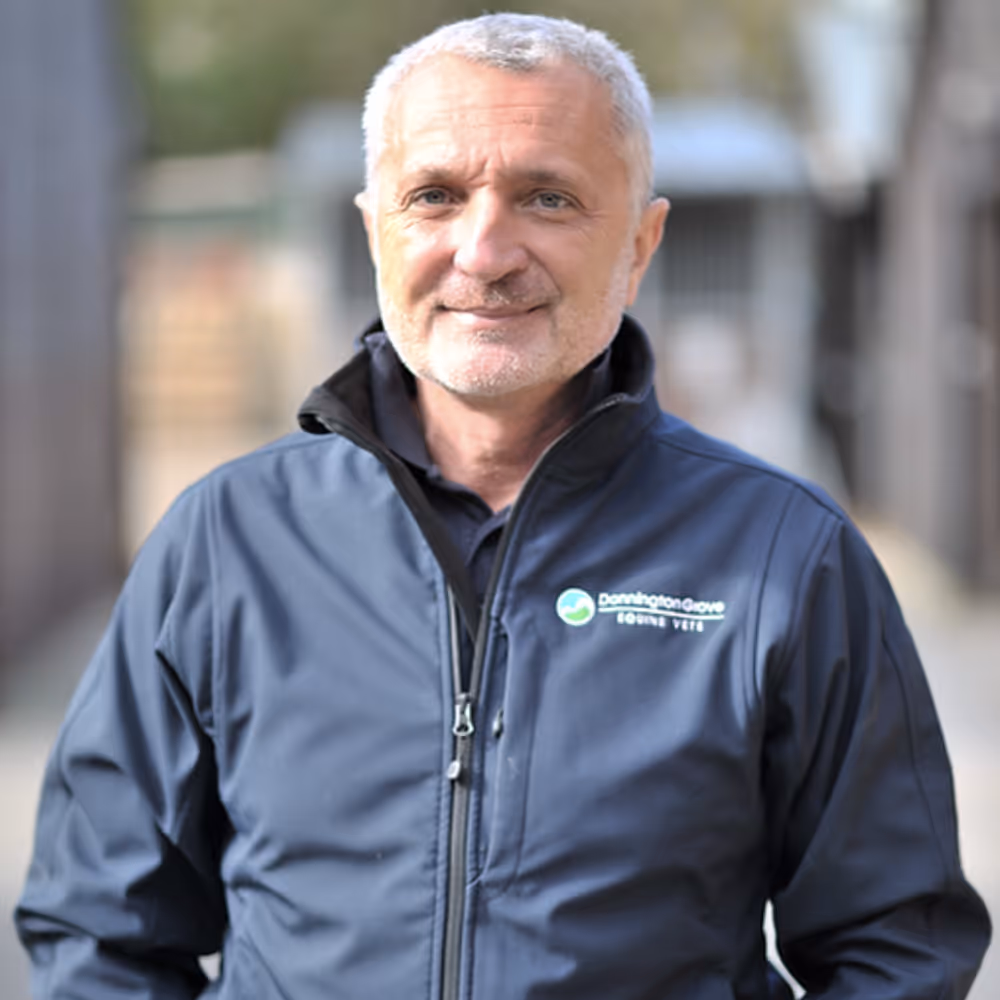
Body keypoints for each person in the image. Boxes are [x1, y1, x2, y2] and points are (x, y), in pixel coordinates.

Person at [15, 13, 990, 999]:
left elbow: (894, 945)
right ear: (374, 230)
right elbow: (103, 926)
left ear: (641, 240)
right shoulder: (226, 541)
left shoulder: (785, 552)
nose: (483, 250)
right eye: (433, 195)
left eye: (548, 197)